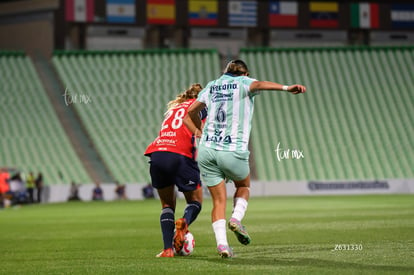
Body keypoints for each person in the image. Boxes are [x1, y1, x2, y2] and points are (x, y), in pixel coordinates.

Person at [184, 60, 306, 258]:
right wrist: (286, 88)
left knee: (218, 201)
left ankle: (222, 246)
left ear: (225, 71)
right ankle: (236, 219)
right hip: (232, 150)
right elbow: (258, 85)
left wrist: (199, 131)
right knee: (243, 185)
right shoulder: (244, 82)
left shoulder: (212, 85)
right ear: (246, 73)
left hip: (206, 150)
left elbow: (190, 112)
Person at [144, 83, 207, 258]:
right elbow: (204, 130)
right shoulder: (201, 106)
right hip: (181, 154)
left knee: (167, 205)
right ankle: (184, 223)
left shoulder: (174, 108)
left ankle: (167, 249)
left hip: (158, 153)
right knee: (195, 201)